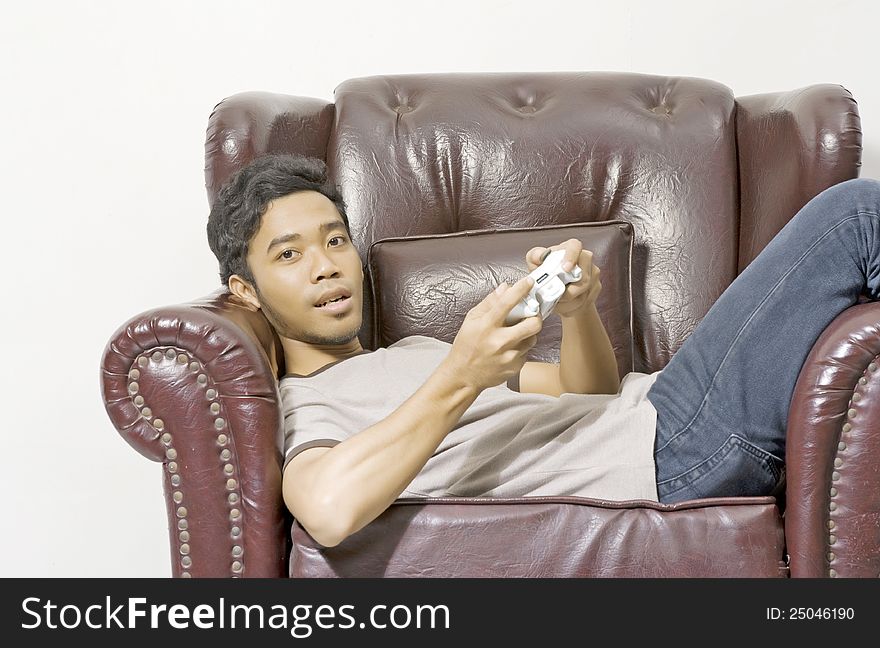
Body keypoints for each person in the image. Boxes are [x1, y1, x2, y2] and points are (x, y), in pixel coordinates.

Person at [207, 153, 880, 547]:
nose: (325, 266)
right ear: (245, 290)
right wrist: (463, 375)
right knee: (854, 216)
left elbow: (585, 392)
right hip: (669, 452)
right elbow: (326, 511)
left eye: (333, 240)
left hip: (657, 412)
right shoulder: (305, 402)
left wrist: (581, 310)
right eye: (289, 255)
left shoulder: (408, 349)